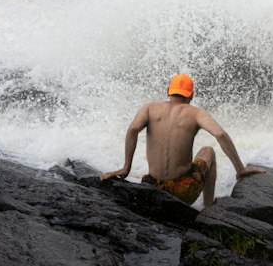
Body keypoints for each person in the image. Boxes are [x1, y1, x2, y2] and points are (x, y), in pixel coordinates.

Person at [101, 74, 264, 207]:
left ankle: (133, 173)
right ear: (191, 95)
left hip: (153, 187)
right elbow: (220, 134)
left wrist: (125, 168)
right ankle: (208, 209)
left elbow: (133, 129)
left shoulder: (149, 107)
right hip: (184, 190)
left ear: (168, 91)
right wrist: (240, 168)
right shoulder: (195, 113)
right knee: (208, 150)